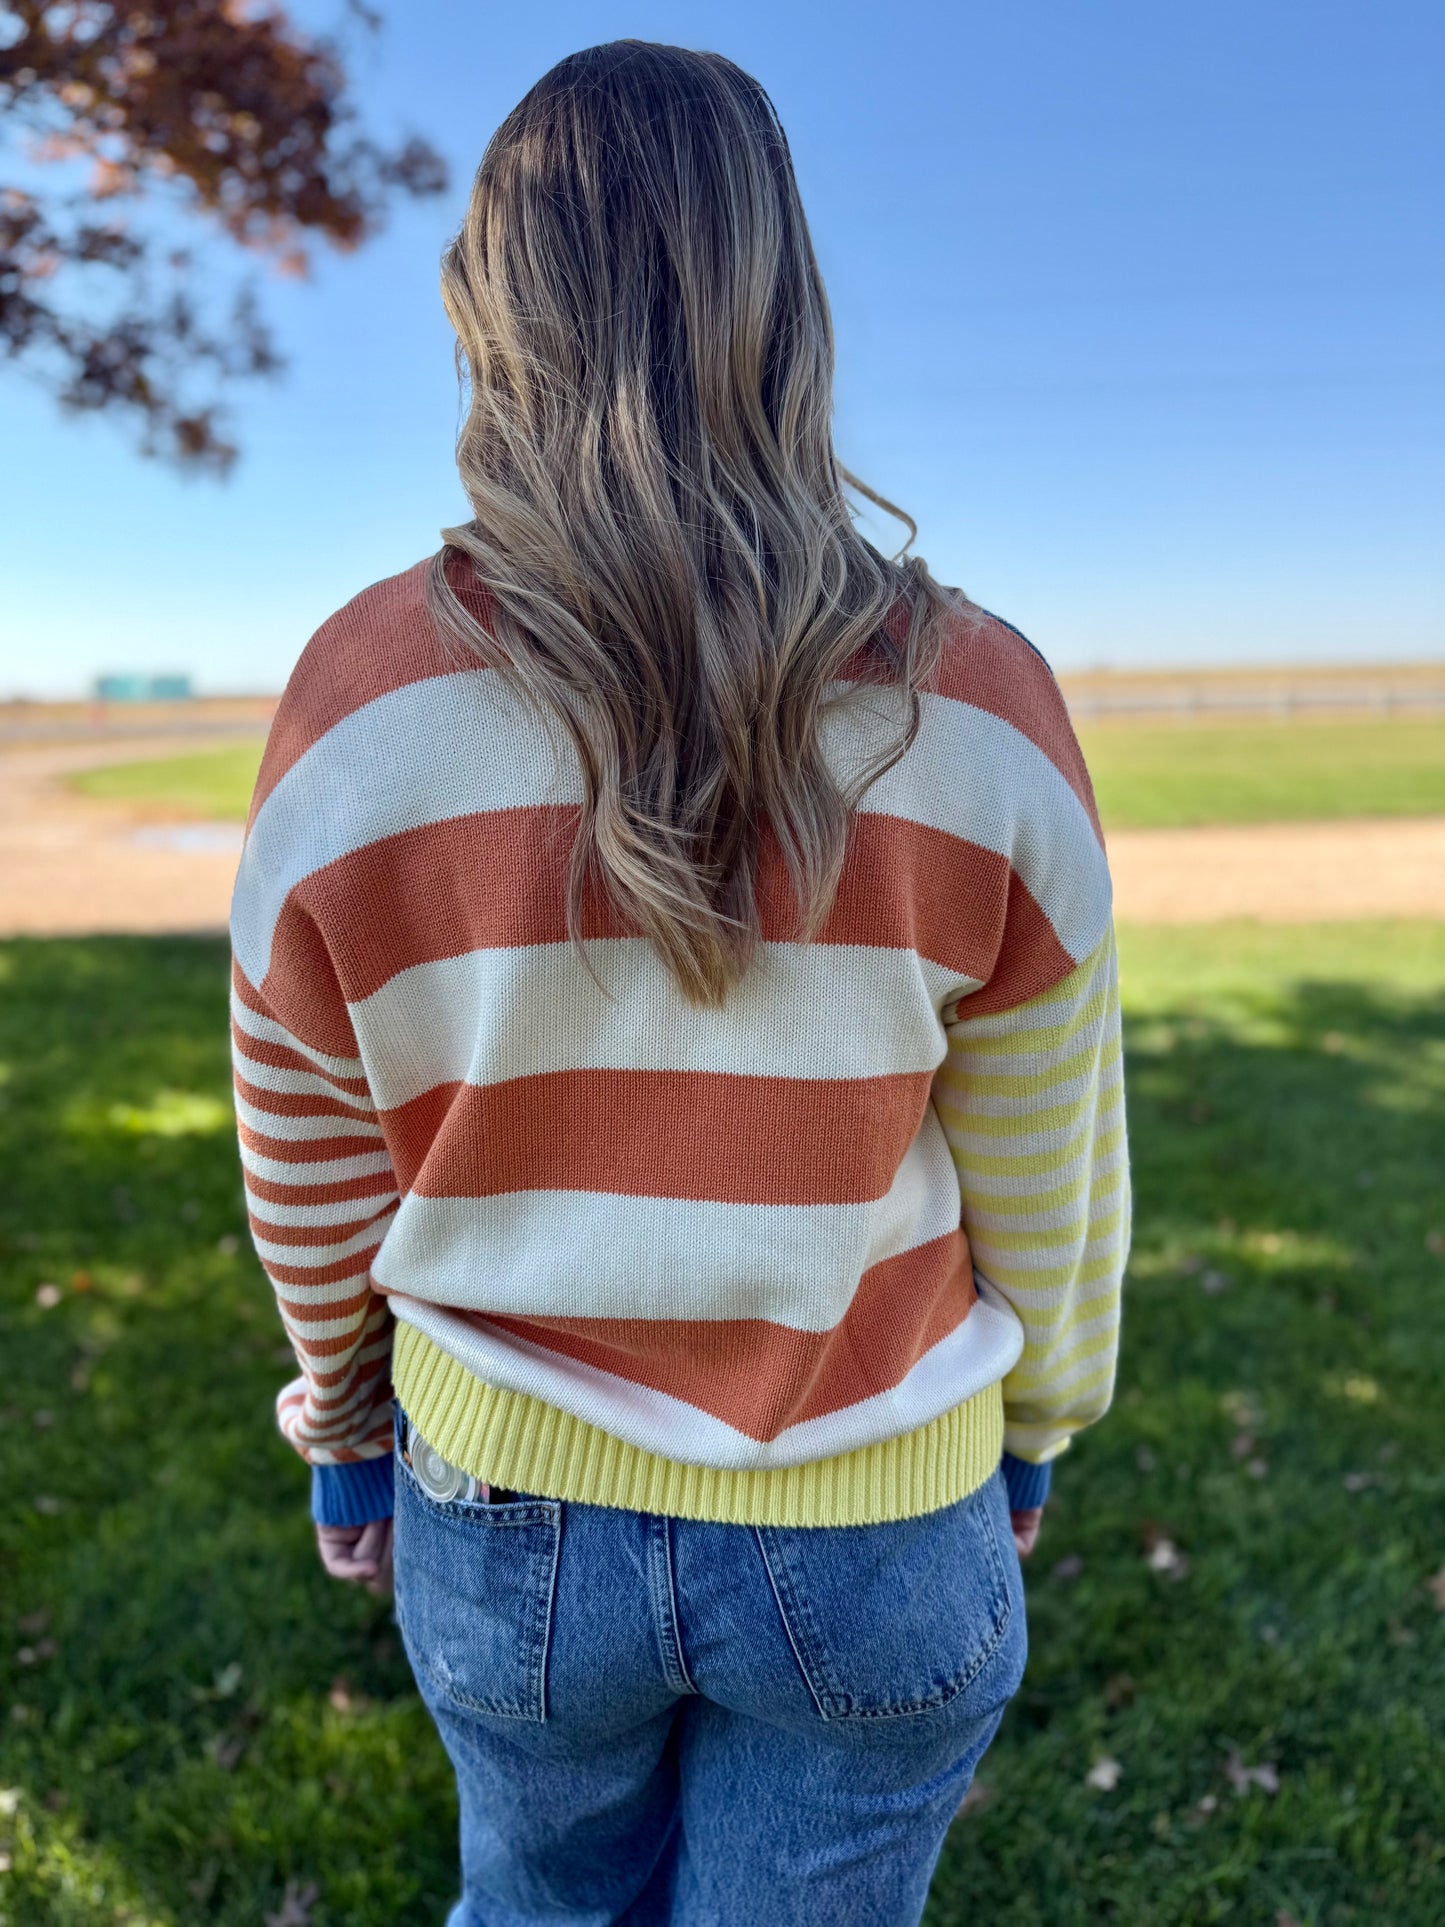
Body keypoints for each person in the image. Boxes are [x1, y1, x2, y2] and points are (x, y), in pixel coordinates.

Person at [229, 39, 1129, 1927]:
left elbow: (305, 1142)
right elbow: (1051, 1155)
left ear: (488, 306)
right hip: (885, 1505)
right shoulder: (980, 705)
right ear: (786, 302)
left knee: (541, 1904)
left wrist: (344, 1427)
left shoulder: (356, 703)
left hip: (501, 1513)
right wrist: (1036, 1413)